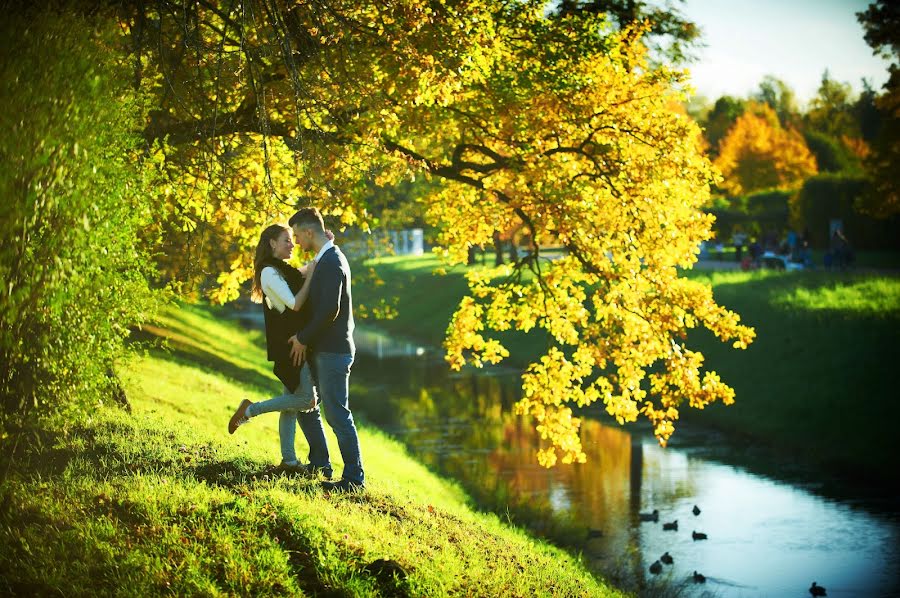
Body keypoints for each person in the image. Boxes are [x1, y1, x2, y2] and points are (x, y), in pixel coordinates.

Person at [227, 224, 332, 478]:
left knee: (291, 402)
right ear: (272, 243)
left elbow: (303, 273)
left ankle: (289, 460)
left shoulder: (281, 269)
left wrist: (324, 248)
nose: (292, 244)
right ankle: (249, 410)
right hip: (289, 346)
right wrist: (313, 271)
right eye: (286, 240)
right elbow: (295, 304)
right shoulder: (268, 273)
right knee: (306, 400)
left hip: (294, 342)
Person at [288, 207, 365, 493]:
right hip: (321, 349)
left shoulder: (333, 261)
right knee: (307, 405)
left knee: (336, 414)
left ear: (309, 232)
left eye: (297, 235)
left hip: (333, 351)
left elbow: (330, 310)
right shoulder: (324, 258)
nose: (295, 242)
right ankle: (320, 464)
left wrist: (303, 338)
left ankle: (354, 479)